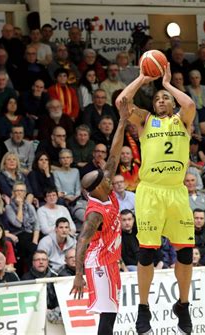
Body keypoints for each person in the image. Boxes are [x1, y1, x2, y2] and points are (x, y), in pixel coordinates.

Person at [115, 63, 195, 334]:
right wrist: (141, 78)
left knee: (185, 254)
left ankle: (183, 306)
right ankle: (143, 308)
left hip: (176, 192)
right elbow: (121, 102)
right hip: (150, 192)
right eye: (157, 97)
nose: (161, 100)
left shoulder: (183, 120)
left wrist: (168, 84)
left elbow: (190, 104)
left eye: (166, 98)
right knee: (147, 253)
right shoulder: (146, 120)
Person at [70, 95, 128, 335]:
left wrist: (123, 121)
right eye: (105, 178)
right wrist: (78, 275)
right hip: (98, 264)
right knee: (108, 313)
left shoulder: (107, 190)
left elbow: (114, 152)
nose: (109, 175)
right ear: (98, 187)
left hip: (110, 259)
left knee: (112, 310)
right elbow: (82, 240)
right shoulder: (94, 213)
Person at [5, 181, 39, 274]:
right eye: (17, 190)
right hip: (18, 234)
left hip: (31, 234)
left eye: (22, 191)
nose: (19, 193)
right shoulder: (9, 207)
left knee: (36, 245)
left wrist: (35, 241)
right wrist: (20, 205)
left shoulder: (30, 206)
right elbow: (18, 223)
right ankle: (30, 273)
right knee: (27, 244)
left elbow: (36, 224)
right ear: (13, 193)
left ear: (25, 193)